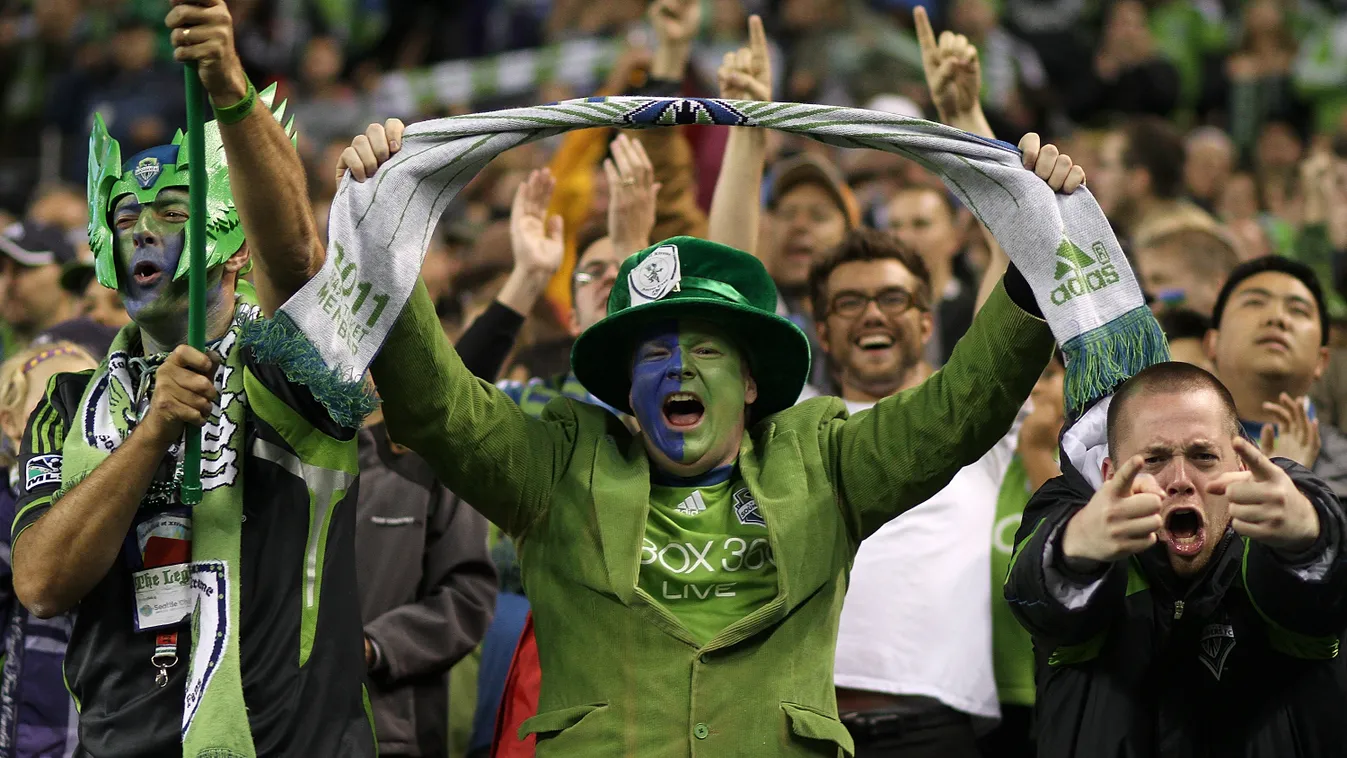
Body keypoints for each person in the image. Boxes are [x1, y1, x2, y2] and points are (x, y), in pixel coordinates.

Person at [343, 117, 1091, 756]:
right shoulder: (557, 463)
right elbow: (436, 405)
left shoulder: (825, 459)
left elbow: (962, 407)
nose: (678, 369)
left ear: (753, 383)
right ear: (624, 390)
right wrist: (385, 237)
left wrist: (1031, 258)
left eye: (705, 351)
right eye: (653, 353)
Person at [9, 2, 376, 755]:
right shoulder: (69, 402)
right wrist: (150, 436)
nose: (142, 227)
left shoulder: (282, 359)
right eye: (126, 215)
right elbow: (41, 582)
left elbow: (300, 261)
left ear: (231, 250)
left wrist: (226, 83)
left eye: (174, 211)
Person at [1006, 361, 1347, 756]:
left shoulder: (1272, 541)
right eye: (1153, 460)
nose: (1181, 478)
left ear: (1240, 467)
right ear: (1109, 473)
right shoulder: (1065, 520)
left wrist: (1306, 533)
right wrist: (1077, 546)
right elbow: (1033, 597)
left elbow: (1326, 592)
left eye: (1203, 456)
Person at [814, 229, 1017, 756]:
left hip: (936, 731)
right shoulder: (792, 429)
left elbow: (1003, 312)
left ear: (928, 322)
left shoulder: (977, 427)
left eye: (893, 298)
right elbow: (735, 279)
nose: (873, 315)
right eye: (849, 302)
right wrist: (746, 146)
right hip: (805, 726)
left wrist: (1004, 163)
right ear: (821, 332)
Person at [356, 413, 498, 758]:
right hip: (282, 724)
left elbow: (470, 594)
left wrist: (377, 646)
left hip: (392, 733)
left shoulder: (434, 460)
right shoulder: (280, 453)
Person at [0, 341, 96, 758]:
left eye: (92, 397)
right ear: (12, 422)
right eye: (51, 403)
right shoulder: (7, 507)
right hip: (35, 733)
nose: (73, 414)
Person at [1204, 256, 1347, 498]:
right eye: (1254, 302)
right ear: (1212, 344)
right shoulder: (1174, 456)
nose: (1277, 318)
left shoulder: (1342, 460)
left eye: (1298, 310)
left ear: (1321, 361)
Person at [884, 185, 976, 367]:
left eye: (921, 224)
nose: (904, 237)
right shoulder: (876, 316)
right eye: (895, 226)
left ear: (956, 236)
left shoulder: (978, 311)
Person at [1090, 117, 1190, 244]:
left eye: (1104, 166)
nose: (1093, 177)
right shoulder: (1144, 238)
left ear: (1139, 179)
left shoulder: (1174, 246)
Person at [0, 222, 81, 349]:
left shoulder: (97, 348)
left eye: (23, 267)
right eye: (1, 270)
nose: (7, 282)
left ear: (66, 273)